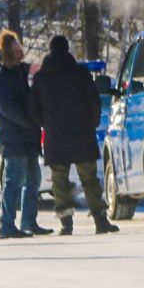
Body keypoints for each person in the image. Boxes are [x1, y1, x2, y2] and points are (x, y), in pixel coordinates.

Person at [31, 35, 118, 236]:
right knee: (89, 179)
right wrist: (91, 122)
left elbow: (33, 109)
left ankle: (66, 224)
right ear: (67, 49)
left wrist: (46, 124)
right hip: (82, 133)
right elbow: (94, 102)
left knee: (59, 181)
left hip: (55, 135)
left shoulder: (41, 78)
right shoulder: (80, 74)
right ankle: (100, 220)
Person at [0, 30, 50, 238]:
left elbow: (33, 74)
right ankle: (6, 224)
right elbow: (7, 109)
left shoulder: (20, 72)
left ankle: (28, 221)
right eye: (16, 49)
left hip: (28, 136)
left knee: (33, 179)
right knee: (13, 182)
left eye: (20, 47)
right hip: (13, 137)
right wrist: (29, 121)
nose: (20, 52)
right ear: (8, 52)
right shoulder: (0, 79)